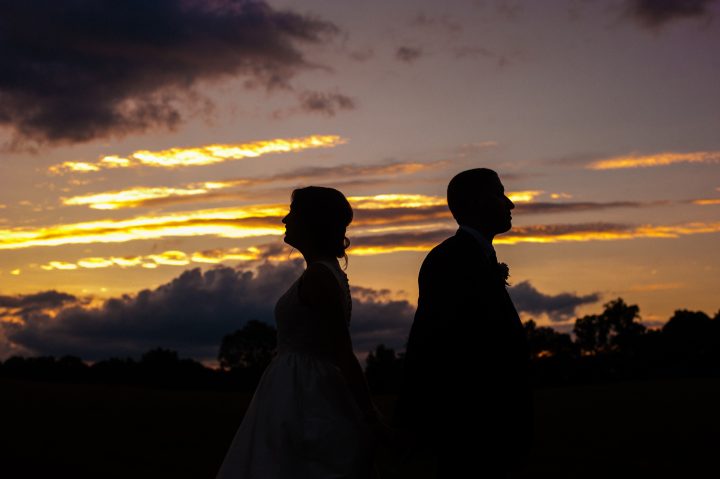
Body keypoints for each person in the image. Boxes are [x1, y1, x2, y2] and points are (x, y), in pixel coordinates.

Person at [216, 186, 379, 479]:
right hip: (294, 387)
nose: (284, 220)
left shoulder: (320, 277)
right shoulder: (322, 273)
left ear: (311, 221)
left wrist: (371, 416)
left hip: (306, 393)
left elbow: (343, 351)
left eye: (292, 213)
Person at [394, 168, 533, 478]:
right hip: (473, 427)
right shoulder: (449, 259)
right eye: (500, 194)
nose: (510, 203)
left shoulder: (476, 256)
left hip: (497, 426)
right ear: (476, 202)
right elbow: (428, 342)